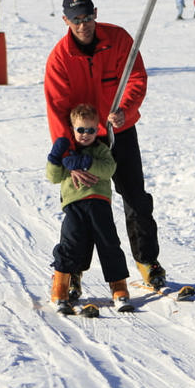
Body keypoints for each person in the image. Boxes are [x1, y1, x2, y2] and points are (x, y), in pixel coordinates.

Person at [44, 0, 166, 290]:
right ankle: (71, 272)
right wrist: (68, 156)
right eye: (75, 20)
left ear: (95, 13)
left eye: (87, 17)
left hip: (120, 132)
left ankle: (147, 261)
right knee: (83, 207)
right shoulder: (59, 59)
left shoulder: (119, 39)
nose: (82, 25)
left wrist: (126, 108)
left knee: (136, 198)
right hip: (84, 141)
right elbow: (57, 111)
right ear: (65, 20)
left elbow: (136, 77)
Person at [46, 103, 131, 314]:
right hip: (74, 206)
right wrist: (55, 160)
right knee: (71, 243)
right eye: (80, 130)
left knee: (109, 243)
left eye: (91, 130)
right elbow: (53, 177)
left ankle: (119, 287)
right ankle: (61, 288)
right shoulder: (68, 152)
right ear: (72, 128)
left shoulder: (100, 150)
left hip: (99, 203)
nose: (85, 135)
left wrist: (86, 162)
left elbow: (109, 168)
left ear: (97, 130)